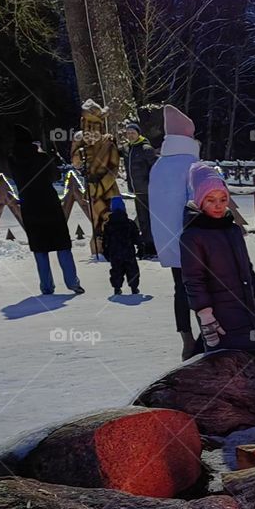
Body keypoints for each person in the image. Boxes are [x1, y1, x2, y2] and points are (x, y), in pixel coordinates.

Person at [180, 162, 255, 358]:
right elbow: (194, 280)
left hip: (245, 312)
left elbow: (247, 268)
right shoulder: (193, 236)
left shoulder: (233, 230)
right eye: (211, 200)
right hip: (219, 319)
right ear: (200, 201)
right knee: (227, 369)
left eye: (222, 199)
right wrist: (206, 317)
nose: (218, 205)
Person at [149, 105, 201, 360]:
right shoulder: (192, 165)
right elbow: (197, 202)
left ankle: (186, 337)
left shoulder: (158, 166)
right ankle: (208, 335)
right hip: (194, 240)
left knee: (179, 288)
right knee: (202, 288)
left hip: (169, 241)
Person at [7, 125, 84, 295]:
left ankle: (46, 286)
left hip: (30, 206)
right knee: (62, 244)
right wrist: (42, 153)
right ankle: (72, 282)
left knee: (40, 249)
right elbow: (55, 176)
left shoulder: (12, 160)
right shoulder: (40, 157)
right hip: (49, 204)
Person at [70, 100, 120, 259]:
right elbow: (75, 163)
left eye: (95, 125)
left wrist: (99, 188)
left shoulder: (108, 142)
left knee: (108, 218)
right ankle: (98, 249)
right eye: (88, 125)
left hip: (107, 188)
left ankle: (110, 247)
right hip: (90, 187)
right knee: (96, 221)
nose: (91, 129)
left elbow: (113, 169)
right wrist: (80, 154)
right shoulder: (79, 140)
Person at [122, 119, 158, 258]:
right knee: (142, 219)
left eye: (133, 132)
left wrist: (151, 184)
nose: (130, 135)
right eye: (128, 133)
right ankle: (146, 244)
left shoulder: (146, 149)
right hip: (137, 190)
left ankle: (151, 246)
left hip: (147, 190)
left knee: (148, 219)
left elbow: (155, 169)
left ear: (138, 133)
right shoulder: (127, 148)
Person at [101, 195, 141, 295]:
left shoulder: (108, 225)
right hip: (129, 252)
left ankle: (117, 287)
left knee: (116, 271)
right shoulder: (130, 223)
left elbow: (105, 240)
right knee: (132, 270)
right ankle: (134, 287)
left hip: (114, 253)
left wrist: (105, 251)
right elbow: (136, 237)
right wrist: (141, 247)